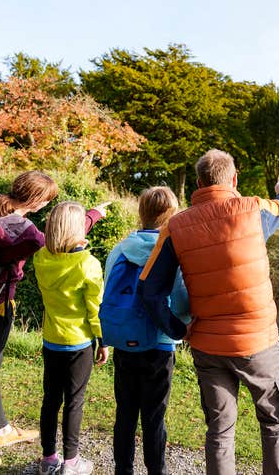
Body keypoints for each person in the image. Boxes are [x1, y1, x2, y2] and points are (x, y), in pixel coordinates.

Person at [138, 149, 279, 475]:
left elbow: (149, 291)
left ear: (198, 183)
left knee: (220, 431)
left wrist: (179, 331)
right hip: (258, 344)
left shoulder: (175, 227)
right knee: (274, 423)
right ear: (234, 179)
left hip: (208, 346)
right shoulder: (253, 209)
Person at [0, 172, 106, 474]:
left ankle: (3, 429)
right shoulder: (28, 234)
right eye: (47, 199)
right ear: (37, 201)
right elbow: (63, 239)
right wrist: (93, 215)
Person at [103, 186, 191, 475]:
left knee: (125, 413)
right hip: (160, 344)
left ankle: (123, 470)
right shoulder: (173, 250)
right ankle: (157, 470)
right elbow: (179, 300)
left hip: (123, 342)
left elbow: (109, 289)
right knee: (154, 416)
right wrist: (184, 325)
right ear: (172, 214)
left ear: (141, 212)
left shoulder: (120, 248)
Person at [33, 201, 108, 475]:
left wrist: (93, 215)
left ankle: (48, 459)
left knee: (51, 399)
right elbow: (95, 309)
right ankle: (71, 462)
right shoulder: (87, 264)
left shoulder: (41, 258)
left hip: (52, 339)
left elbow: (59, 241)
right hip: (79, 343)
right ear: (78, 232)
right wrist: (103, 341)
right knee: (74, 401)